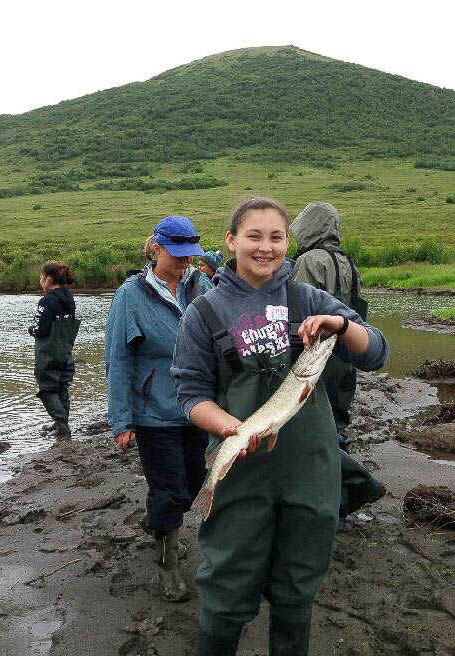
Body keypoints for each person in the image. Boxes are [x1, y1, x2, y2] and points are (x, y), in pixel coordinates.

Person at [172, 196, 389, 655]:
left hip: (310, 473)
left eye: (276, 237)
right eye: (254, 236)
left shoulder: (309, 298)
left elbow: (376, 354)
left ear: (288, 241)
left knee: (297, 593)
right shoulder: (204, 312)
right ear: (231, 241)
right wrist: (231, 428)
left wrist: (340, 324)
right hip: (241, 473)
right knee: (227, 593)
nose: (265, 247)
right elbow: (191, 396)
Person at [105, 216, 213, 602]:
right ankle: (168, 566)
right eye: (178, 254)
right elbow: (117, 360)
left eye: (190, 255)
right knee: (169, 488)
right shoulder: (130, 296)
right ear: (157, 249)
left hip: (200, 407)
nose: (185, 262)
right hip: (154, 412)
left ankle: (155, 521)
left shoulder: (203, 286)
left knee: (195, 480)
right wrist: (121, 419)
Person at [290, 201, 386, 529]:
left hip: (318, 361)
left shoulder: (307, 261)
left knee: (316, 433)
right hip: (346, 359)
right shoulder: (348, 263)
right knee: (338, 427)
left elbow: (297, 312)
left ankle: (349, 491)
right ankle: (341, 508)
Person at [30, 261, 81, 437]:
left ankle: (61, 425)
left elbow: (40, 329)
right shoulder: (69, 297)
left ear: (49, 278)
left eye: (41, 276)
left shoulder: (46, 300)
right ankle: (62, 422)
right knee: (61, 387)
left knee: (47, 389)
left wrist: (31, 329)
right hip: (65, 351)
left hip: (49, 353)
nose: (40, 279)